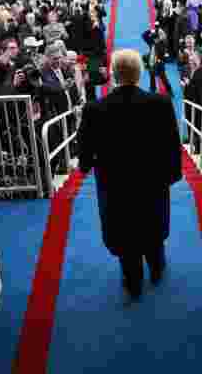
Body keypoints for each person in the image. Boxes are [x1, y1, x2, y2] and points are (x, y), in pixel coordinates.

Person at [76, 50, 182, 301]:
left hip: (115, 187)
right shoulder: (161, 104)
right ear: (140, 73)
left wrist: (85, 165)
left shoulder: (94, 109)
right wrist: (172, 175)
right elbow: (172, 144)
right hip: (153, 183)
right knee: (153, 225)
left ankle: (132, 281)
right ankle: (156, 268)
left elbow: (85, 152)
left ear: (112, 74)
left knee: (123, 232)